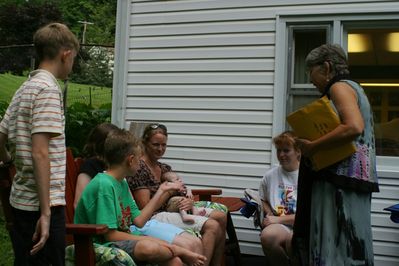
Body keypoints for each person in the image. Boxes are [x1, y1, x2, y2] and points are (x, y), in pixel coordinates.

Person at [292, 44, 379, 266]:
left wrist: (313, 147)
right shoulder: (356, 89)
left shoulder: (339, 87)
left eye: (310, 71)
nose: (311, 80)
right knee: (352, 244)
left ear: (326, 67)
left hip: (338, 182)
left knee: (334, 244)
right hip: (353, 179)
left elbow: (353, 127)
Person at [0, 23, 79, 265]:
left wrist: (9, 162)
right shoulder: (47, 90)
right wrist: (45, 213)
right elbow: (40, 152)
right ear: (65, 54)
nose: (72, 64)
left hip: (21, 201)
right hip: (42, 206)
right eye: (74, 58)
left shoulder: (25, 88)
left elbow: (0, 136)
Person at [74, 128, 206, 266]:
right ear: (130, 160)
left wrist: (161, 191)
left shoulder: (121, 182)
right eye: (139, 159)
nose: (141, 163)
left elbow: (139, 221)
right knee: (150, 247)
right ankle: (178, 250)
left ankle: (176, 251)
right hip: (99, 246)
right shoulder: (104, 185)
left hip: (120, 240)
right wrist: (173, 248)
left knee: (174, 261)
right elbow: (111, 236)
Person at [126, 123, 227, 266]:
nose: (160, 149)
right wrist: (169, 192)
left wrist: (187, 201)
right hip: (153, 216)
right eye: (156, 145)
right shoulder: (140, 168)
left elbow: (180, 189)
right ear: (145, 143)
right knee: (212, 226)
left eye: (164, 145)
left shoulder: (163, 167)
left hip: (172, 208)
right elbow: (146, 208)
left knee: (221, 216)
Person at [258, 131, 300, 266]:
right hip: (280, 225)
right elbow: (263, 199)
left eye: (286, 150)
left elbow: (309, 215)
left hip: (302, 226)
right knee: (267, 236)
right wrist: (268, 210)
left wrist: (277, 219)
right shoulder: (270, 176)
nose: (281, 155)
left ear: (298, 151)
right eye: (279, 150)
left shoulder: (307, 176)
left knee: (292, 241)